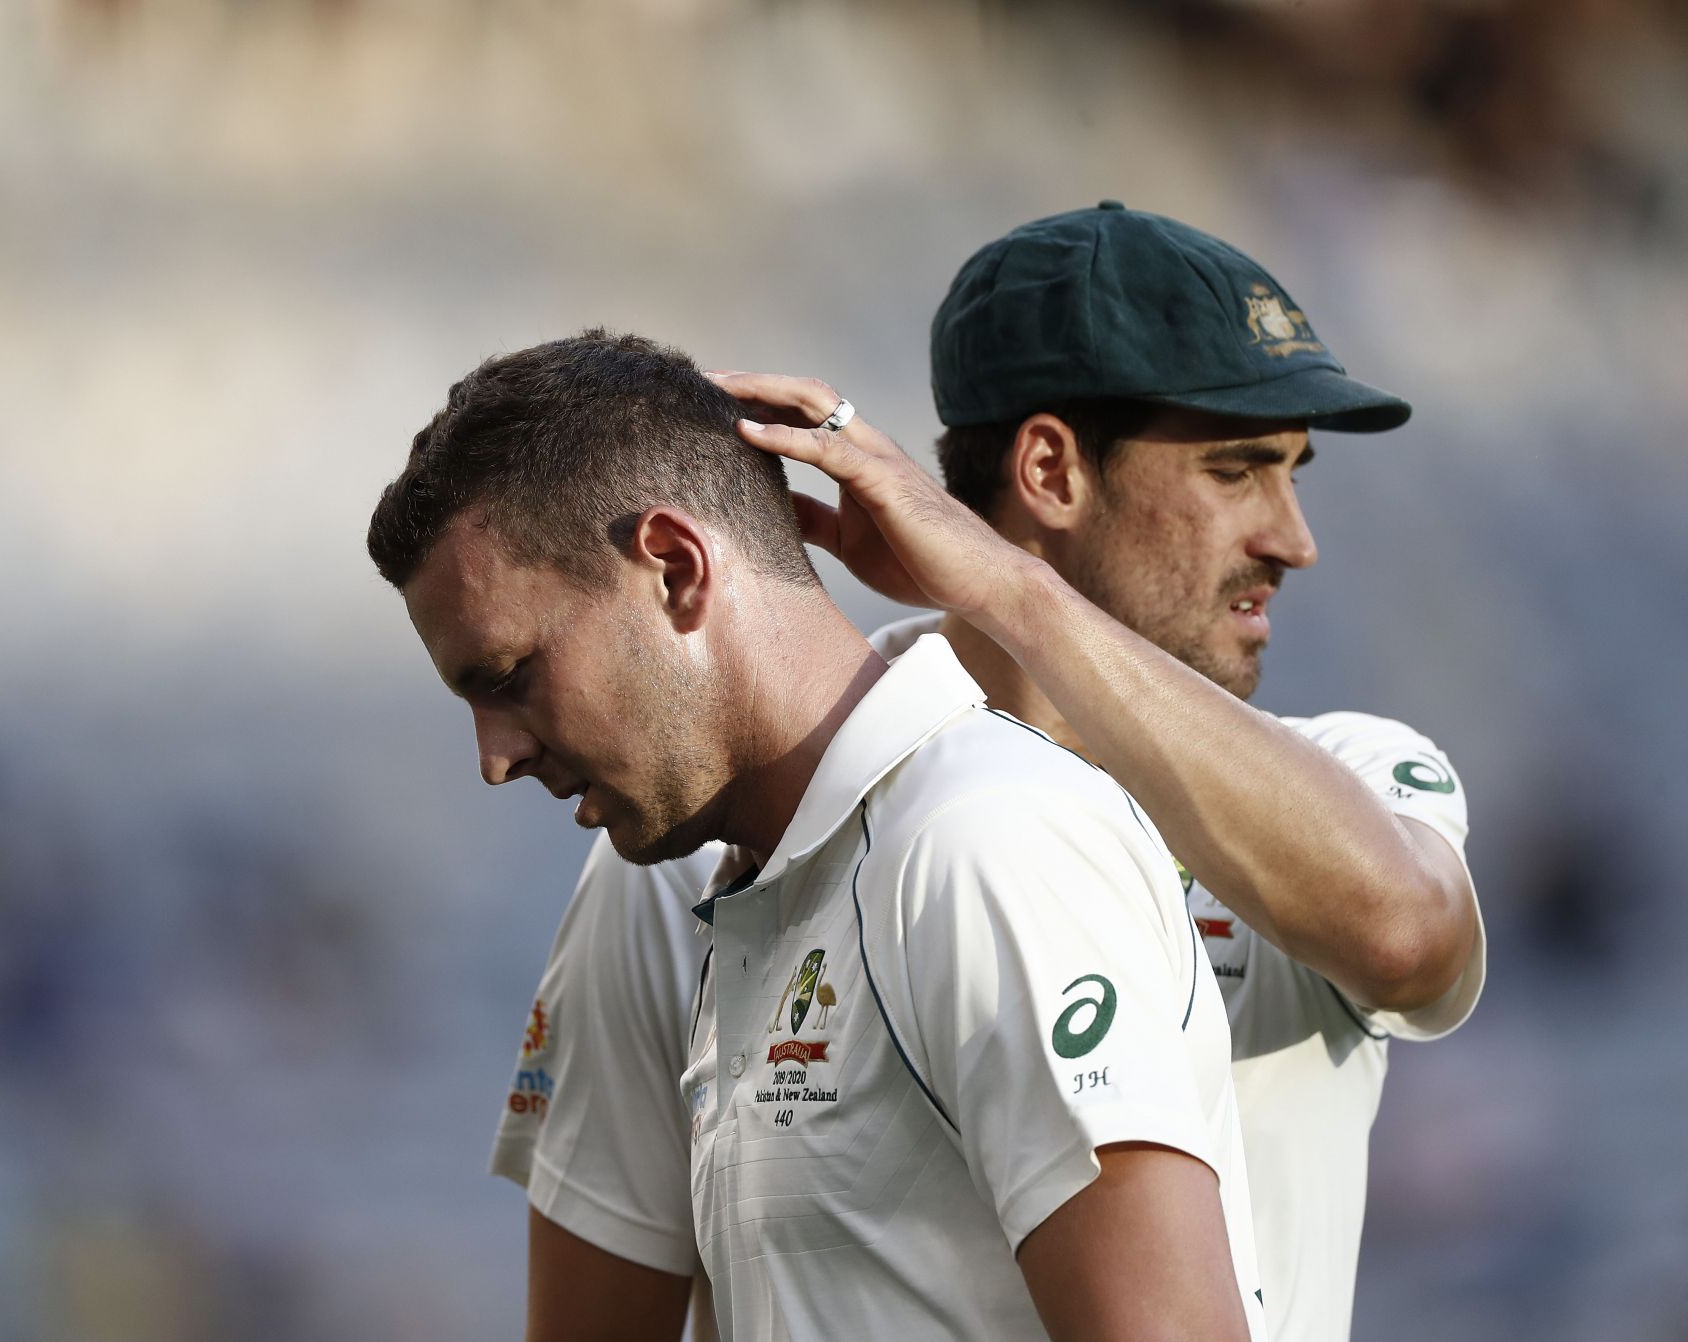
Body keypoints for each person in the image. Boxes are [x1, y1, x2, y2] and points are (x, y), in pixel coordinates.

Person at [491, 206, 1485, 1342]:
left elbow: (1407, 937)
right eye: (1238, 470)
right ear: (1051, 470)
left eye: (1293, 474)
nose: (1293, 537)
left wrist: (1008, 588)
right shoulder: (693, 861)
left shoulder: (1352, 775)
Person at [370, 329, 1266, 1341]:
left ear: (673, 569)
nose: (495, 757)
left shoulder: (982, 844)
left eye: (511, 675)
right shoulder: (744, 885)